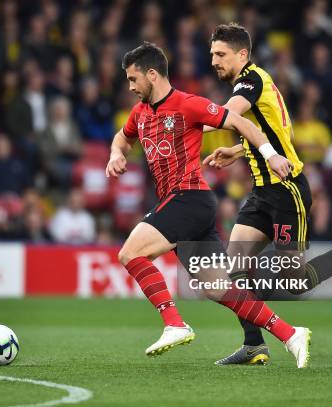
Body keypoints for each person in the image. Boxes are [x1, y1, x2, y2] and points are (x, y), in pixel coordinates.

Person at [203, 23, 332, 365]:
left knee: (295, 281)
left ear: (242, 54)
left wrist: (185, 123)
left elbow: (227, 116)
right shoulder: (259, 82)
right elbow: (282, 129)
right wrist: (240, 152)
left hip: (286, 192)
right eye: (211, 54)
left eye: (220, 54)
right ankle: (254, 345)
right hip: (260, 192)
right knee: (234, 268)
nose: (214, 61)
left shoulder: (250, 80)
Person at [106, 41, 311, 368]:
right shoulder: (140, 113)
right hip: (187, 205)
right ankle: (290, 334)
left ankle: (174, 323)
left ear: (153, 74)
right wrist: (117, 154)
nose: (130, 87)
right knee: (218, 288)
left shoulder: (187, 105)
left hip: (189, 198)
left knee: (130, 253)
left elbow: (243, 123)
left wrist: (271, 155)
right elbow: (123, 136)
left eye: (134, 79)